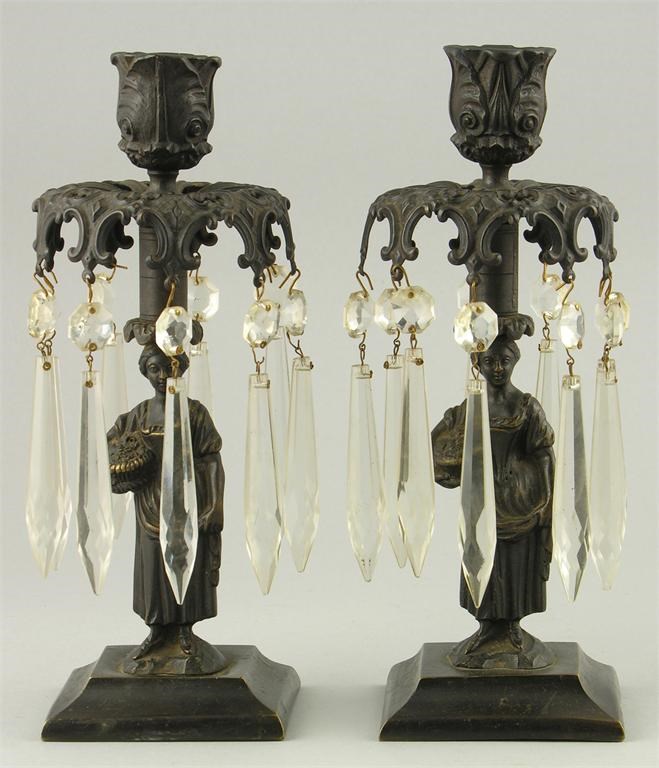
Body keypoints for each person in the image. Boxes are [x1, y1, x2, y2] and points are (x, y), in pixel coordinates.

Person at [432, 335, 555, 668]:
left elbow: (544, 452)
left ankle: (512, 628)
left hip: (522, 501)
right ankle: (487, 629)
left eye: (505, 361)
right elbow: (434, 447)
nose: (498, 368)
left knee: (516, 564)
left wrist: (544, 499)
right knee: (484, 562)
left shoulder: (526, 407)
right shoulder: (467, 409)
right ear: (478, 364)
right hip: (483, 503)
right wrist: (452, 468)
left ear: (515, 362)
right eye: (489, 361)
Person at [107, 342, 224, 674]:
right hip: (149, 504)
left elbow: (212, 461)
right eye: (153, 369)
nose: (161, 376)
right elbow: (108, 450)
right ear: (144, 372)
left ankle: (185, 631)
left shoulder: (195, 413)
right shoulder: (137, 415)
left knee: (188, 564)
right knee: (153, 570)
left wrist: (215, 505)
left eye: (168, 367)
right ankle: (157, 632)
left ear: (181, 368)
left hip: (188, 502)